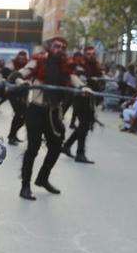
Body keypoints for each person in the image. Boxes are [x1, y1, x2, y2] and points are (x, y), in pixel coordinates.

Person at [14, 37, 88, 200]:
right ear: (50, 47)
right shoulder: (38, 62)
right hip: (36, 110)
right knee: (32, 149)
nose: (59, 49)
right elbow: (20, 74)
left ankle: (42, 178)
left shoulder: (65, 67)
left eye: (62, 47)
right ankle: (25, 186)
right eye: (56, 46)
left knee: (55, 147)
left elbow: (73, 79)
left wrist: (83, 88)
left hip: (53, 113)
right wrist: (22, 82)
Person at [61, 45, 103, 164]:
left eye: (93, 54)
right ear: (85, 54)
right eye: (89, 53)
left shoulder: (95, 66)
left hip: (89, 99)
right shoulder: (80, 66)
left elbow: (98, 80)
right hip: (81, 98)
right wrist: (91, 82)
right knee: (84, 125)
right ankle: (80, 153)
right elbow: (81, 81)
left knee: (84, 125)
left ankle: (67, 145)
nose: (91, 56)